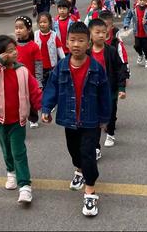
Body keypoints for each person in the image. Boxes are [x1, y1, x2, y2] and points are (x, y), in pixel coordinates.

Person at [41, 22, 112, 217]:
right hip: (68, 118)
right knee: (73, 150)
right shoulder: (62, 67)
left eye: (81, 40)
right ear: (66, 42)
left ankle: (90, 190)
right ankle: (79, 170)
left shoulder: (96, 69)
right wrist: (46, 107)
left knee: (88, 152)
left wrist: (105, 119)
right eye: (72, 40)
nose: (76, 44)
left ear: (88, 44)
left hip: (91, 120)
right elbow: (52, 88)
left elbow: (104, 95)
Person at [0, 35, 42, 205]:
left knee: (18, 152)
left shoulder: (22, 70)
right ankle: (11, 172)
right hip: (0, 119)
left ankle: (25, 186)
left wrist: (43, 107)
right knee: (6, 150)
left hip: (18, 120)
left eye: (15, 49)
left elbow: (35, 90)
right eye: (9, 51)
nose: (15, 53)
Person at [88, 18, 125, 155]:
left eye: (104, 32)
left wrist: (121, 88)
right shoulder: (87, 53)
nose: (101, 35)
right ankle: (96, 147)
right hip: (92, 92)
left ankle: (110, 133)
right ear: (90, 34)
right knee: (95, 119)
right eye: (97, 32)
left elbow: (120, 69)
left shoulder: (111, 51)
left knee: (110, 114)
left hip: (110, 90)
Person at [14, 16, 43, 128]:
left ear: (29, 29)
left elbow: (38, 64)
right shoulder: (12, 46)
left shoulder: (34, 46)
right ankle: (18, 119)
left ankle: (33, 118)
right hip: (15, 79)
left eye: (21, 28)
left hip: (30, 79)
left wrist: (38, 81)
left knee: (31, 100)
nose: (18, 30)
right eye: (16, 28)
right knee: (17, 100)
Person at [34, 13, 65, 89]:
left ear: (50, 23)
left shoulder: (54, 35)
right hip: (39, 68)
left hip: (52, 66)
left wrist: (65, 61)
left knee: (52, 84)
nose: (42, 24)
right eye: (40, 22)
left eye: (45, 22)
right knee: (41, 85)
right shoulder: (35, 34)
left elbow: (60, 50)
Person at [123, 0, 147, 69]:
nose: (142, 2)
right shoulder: (133, 9)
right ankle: (140, 54)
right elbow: (127, 17)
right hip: (137, 33)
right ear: (137, 0)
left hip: (146, 33)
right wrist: (126, 25)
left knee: (146, 48)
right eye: (140, 0)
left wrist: (146, 21)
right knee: (137, 46)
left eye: (144, 0)